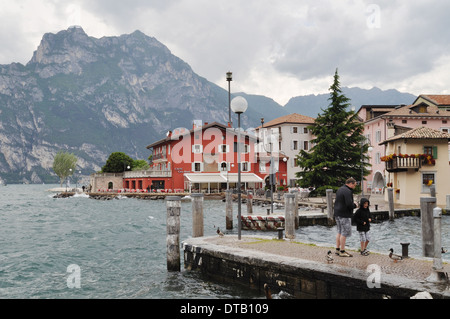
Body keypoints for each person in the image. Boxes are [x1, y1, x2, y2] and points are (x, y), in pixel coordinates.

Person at [334, 177, 357, 257]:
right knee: (344, 232)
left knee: (339, 231)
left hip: (337, 213)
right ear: (350, 183)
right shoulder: (348, 191)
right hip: (344, 214)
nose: (354, 187)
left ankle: (337, 250)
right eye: (354, 185)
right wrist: (355, 205)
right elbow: (349, 204)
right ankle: (342, 251)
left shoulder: (340, 189)